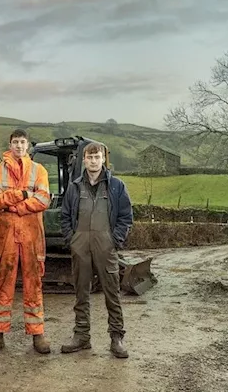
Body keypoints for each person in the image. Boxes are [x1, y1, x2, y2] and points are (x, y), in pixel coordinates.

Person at [60, 142, 133, 358]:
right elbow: (65, 216)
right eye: (90, 157)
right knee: (81, 292)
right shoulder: (74, 187)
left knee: (112, 292)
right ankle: (82, 336)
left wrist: (114, 240)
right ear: (84, 160)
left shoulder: (116, 186)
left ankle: (116, 338)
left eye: (97, 157)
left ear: (103, 160)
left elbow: (126, 217)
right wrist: (71, 239)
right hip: (80, 244)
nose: (93, 161)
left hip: (105, 245)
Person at [0, 128, 52, 354]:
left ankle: (37, 334)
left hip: (31, 235)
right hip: (6, 237)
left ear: (28, 145)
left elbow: (43, 198)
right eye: (15, 142)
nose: (19, 146)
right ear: (10, 144)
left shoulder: (38, 170)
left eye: (23, 142)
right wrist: (22, 194)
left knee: (34, 284)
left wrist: (16, 206)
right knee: (3, 285)